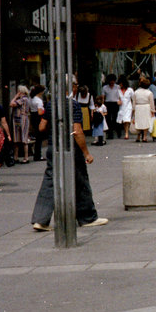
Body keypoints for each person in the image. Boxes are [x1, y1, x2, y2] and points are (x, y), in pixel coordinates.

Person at [31, 81, 108, 231]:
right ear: (72, 88)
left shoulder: (51, 104)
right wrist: (86, 152)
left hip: (53, 147)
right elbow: (77, 130)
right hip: (70, 147)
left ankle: (41, 220)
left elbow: (41, 127)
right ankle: (87, 217)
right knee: (80, 181)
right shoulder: (74, 105)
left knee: (50, 181)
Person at [9, 85, 32, 163]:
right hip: (18, 119)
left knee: (23, 138)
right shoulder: (26, 99)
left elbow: (11, 104)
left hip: (22, 119)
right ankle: (17, 156)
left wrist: (15, 96)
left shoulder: (23, 99)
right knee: (18, 138)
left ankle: (25, 157)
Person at [131, 76, 155, 142]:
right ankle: (144, 137)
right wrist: (153, 110)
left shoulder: (136, 92)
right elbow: (151, 102)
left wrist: (133, 110)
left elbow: (134, 102)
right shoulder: (149, 93)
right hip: (146, 107)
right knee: (146, 122)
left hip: (138, 107)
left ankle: (138, 137)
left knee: (138, 122)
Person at [29, 84, 46, 161]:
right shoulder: (39, 101)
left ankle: (37, 154)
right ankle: (38, 155)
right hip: (38, 118)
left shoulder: (32, 99)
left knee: (37, 137)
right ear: (41, 92)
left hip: (33, 116)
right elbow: (40, 112)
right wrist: (45, 111)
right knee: (39, 137)